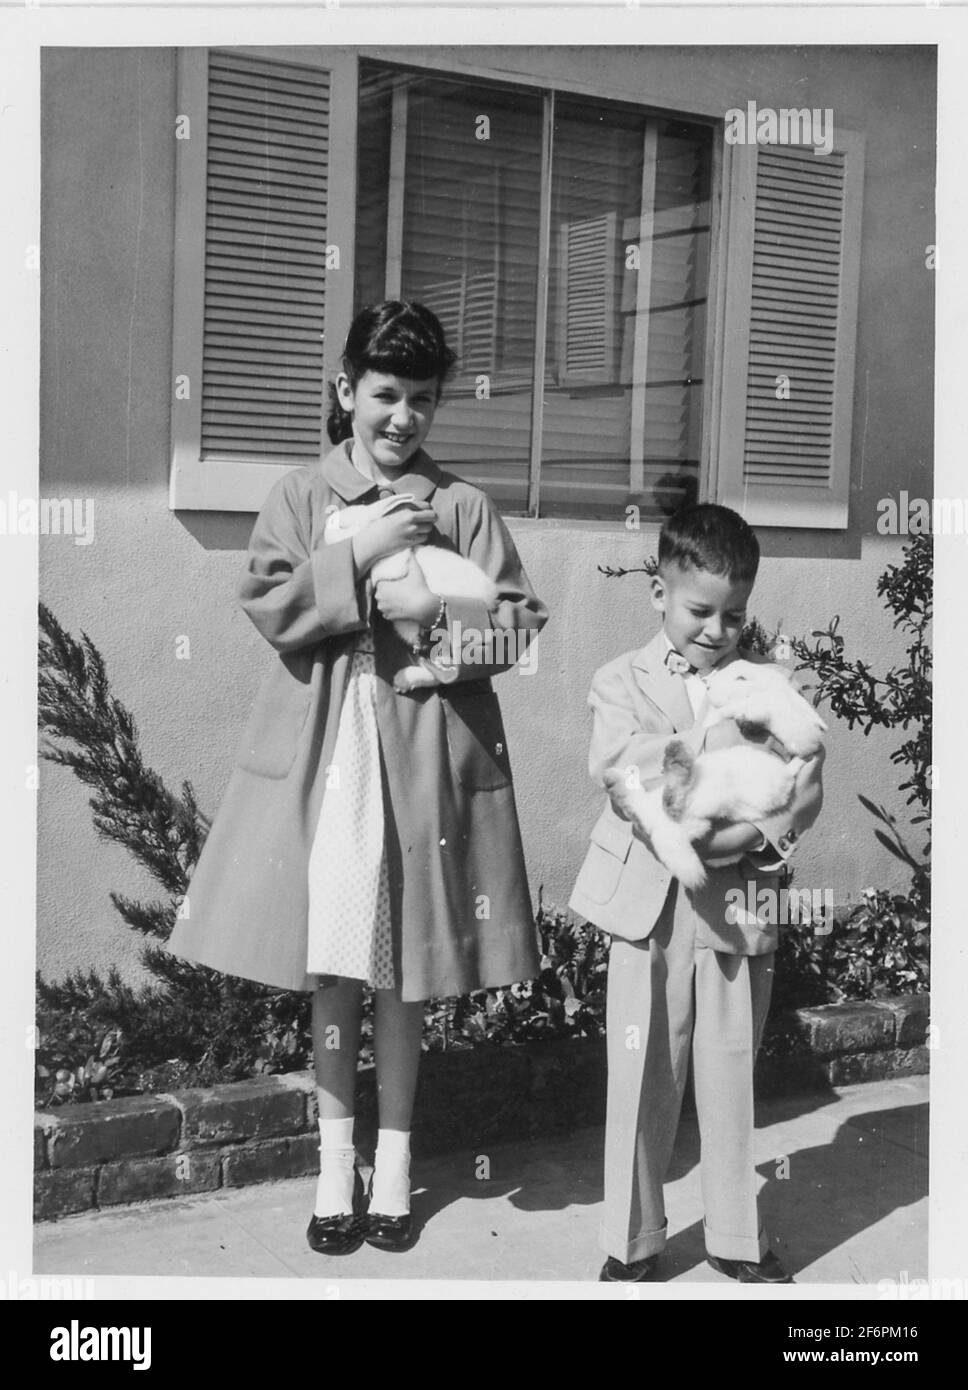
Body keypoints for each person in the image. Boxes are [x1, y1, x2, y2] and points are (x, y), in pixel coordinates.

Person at [168, 301, 547, 1256]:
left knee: (406, 973)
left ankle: (394, 1167)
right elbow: (272, 605)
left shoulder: (460, 505)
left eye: (422, 399)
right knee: (333, 968)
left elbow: (518, 625)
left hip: (420, 767)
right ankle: (334, 1166)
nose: (402, 417)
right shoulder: (301, 496)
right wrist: (363, 551)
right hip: (331, 761)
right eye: (384, 394)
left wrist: (429, 608)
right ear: (346, 392)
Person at [569, 503, 825, 1283]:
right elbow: (625, 775)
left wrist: (756, 833)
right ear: (660, 593)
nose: (717, 631)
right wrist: (724, 740)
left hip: (739, 903)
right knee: (643, 1076)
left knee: (728, 1073)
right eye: (699, 611)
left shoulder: (779, 682)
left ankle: (737, 1240)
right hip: (646, 906)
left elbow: (803, 791)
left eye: (734, 614)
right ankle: (633, 1239)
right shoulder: (620, 679)